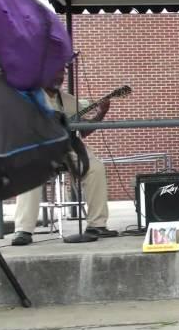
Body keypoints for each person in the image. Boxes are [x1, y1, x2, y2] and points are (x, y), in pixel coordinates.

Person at [12, 69, 118, 245]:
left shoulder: (68, 101)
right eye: (55, 73)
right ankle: (23, 230)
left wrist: (101, 113)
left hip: (67, 148)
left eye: (61, 75)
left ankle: (96, 225)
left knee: (96, 167)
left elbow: (84, 131)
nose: (59, 78)